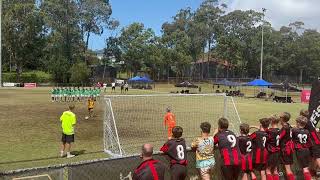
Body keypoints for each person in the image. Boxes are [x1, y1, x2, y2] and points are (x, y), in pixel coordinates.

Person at [292, 116, 312, 180]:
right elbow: (309, 142)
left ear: (298, 123)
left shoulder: (294, 130)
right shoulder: (307, 131)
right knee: (305, 167)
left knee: (304, 168)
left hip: (300, 150)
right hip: (306, 150)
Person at [301, 109, 320, 173]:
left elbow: (299, 129)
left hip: (314, 142)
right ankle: (313, 170)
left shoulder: (305, 122)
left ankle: (315, 170)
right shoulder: (308, 121)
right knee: (314, 157)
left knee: (317, 157)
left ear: (301, 115)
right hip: (315, 140)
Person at [279, 112, 295, 180]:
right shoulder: (289, 125)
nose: (279, 118)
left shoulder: (285, 128)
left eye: (280, 117)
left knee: (287, 169)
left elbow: (279, 138)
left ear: (283, 119)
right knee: (288, 168)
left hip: (285, 150)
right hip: (289, 149)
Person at [265, 115, 281, 180]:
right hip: (277, 151)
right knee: (275, 170)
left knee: (268, 170)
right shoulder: (280, 130)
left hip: (271, 151)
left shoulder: (269, 131)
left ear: (271, 122)